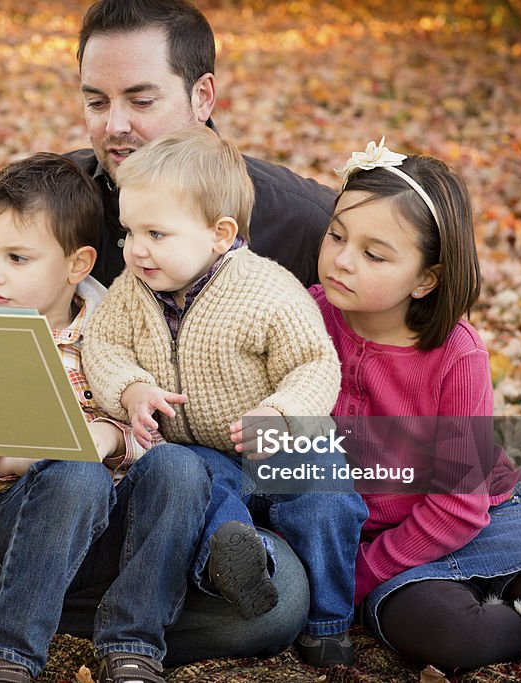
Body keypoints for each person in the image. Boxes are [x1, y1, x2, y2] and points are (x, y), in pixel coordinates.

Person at [0, 1, 330, 680]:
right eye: (96, 100)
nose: (115, 125)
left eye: (140, 99)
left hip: (166, 526)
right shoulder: (43, 207)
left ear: (202, 95)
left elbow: (384, 366)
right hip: (6, 499)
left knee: (277, 593)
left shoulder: (296, 221)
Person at [310, 137, 521, 673]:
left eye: (374, 253)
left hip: (483, 517)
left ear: (426, 278)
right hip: (386, 544)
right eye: (336, 235)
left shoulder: (456, 353)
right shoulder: (302, 321)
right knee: (453, 641)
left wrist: (356, 576)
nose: (342, 260)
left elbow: (459, 504)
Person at [81, 126, 368, 668]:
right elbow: (105, 346)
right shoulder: (131, 291)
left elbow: (314, 361)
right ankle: (242, 563)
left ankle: (329, 625)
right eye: (129, 233)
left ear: (220, 233)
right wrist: (131, 388)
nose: (137, 250)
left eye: (156, 234)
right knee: (198, 492)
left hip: (278, 442)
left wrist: (282, 412)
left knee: (326, 498)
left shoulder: (265, 290)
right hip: (201, 452)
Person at [0, 153, 210, 683]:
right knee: (75, 474)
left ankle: (132, 644)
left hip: (112, 538)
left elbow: (152, 425)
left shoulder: (114, 332)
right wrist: (23, 455)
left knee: (182, 467)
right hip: (13, 527)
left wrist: (108, 434)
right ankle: (8, 654)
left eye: (17, 258)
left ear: (77, 266)